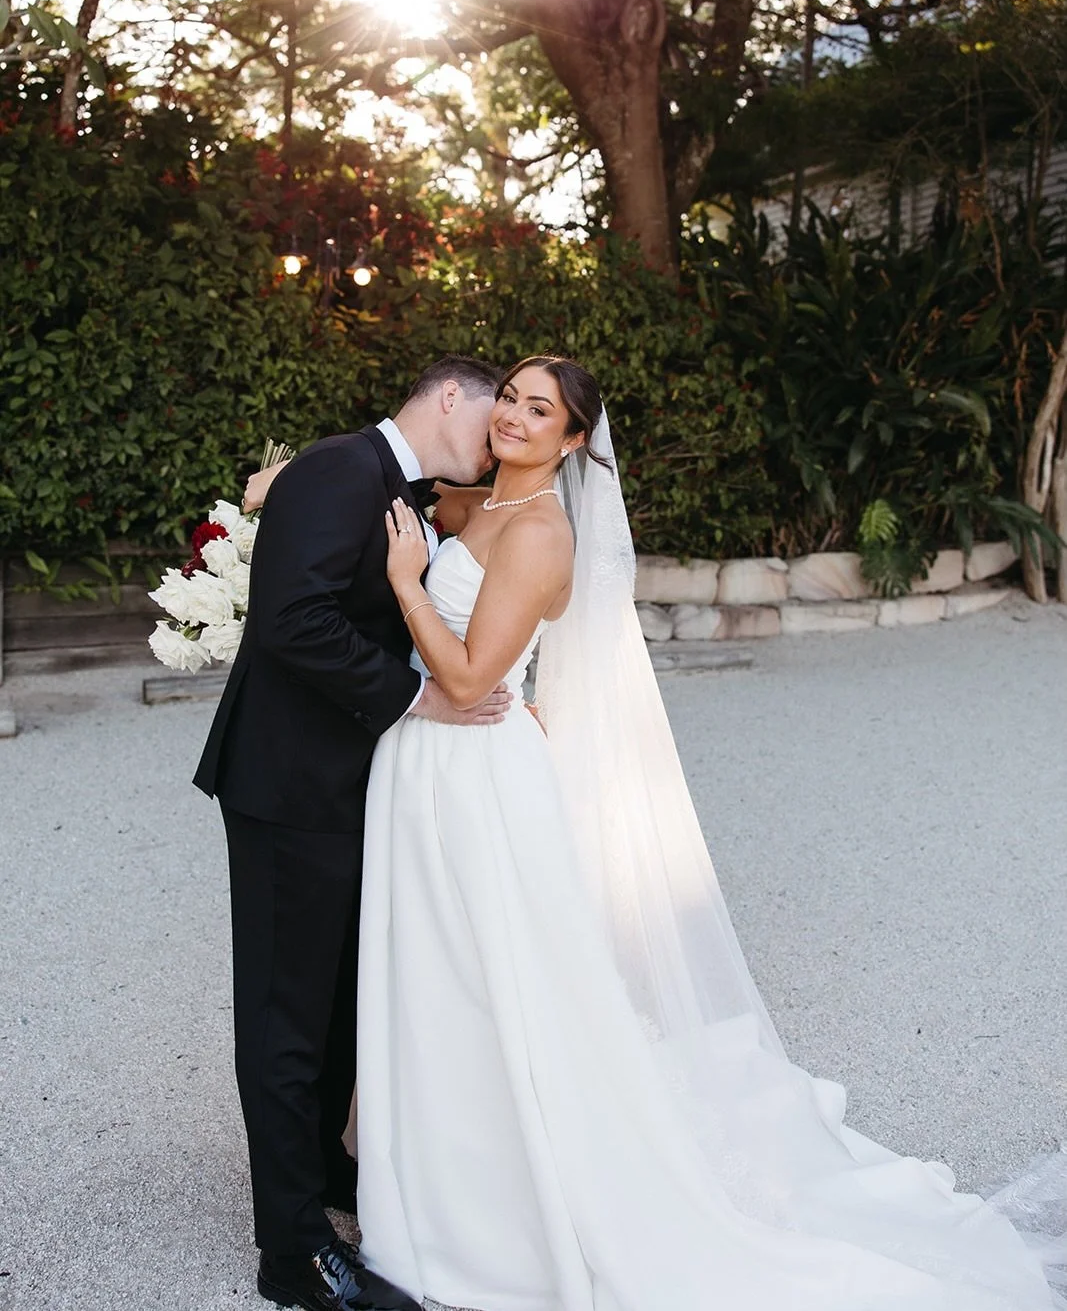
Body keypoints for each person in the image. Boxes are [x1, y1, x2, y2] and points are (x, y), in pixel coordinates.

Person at [350, 354, 1062, 1311]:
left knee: (488, 979)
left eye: (538, 409)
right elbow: (406, 492)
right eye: (509, 399)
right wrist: (286, 487)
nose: (514, 418)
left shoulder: (541, 537)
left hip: (473, 767)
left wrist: (404, 585)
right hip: (424, 767)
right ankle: (424, 1159)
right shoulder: (472, 506)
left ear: (571, 441)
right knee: (435, 968)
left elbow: (474, 680)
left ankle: (494, 1196)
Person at [193, 356, 511, 1311]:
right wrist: (422, 698)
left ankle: (328, 1180)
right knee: (287, 1019)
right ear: (448, 396)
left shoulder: (402, 487)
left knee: (337, 999)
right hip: (289, 784)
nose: (494, 443)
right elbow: (292, 623)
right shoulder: (340, 469)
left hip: (345, 783)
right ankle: (292, 1256)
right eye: (492, 420)